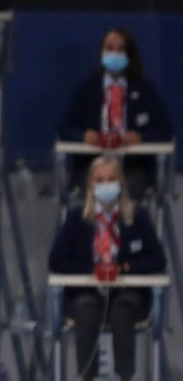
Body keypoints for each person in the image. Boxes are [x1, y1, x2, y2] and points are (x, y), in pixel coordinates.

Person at [48, 155, 166, 381]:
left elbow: (158, 260)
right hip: (87, 293)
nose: (106, 185)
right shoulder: (76, 219)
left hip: (127, 294)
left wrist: (126, 268)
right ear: (91, 184)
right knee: (87, 309)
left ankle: (125, 377)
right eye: (100, 180)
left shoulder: (138, 217)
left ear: (121, 181)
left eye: (111, 179)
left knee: (123, 311)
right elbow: (56, 261)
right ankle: (87, 377)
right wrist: (91, 271)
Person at [59, 28, 173, 199]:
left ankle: (122, 225)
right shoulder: (87, 89)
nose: (114, 54)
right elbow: (65, 128)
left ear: (129, 55)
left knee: (124, 193)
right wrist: (83, 136)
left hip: (133, 167)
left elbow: (165, 130)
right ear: (101, 52)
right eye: (110, 49)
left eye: (120, 50)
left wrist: (140, 138)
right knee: (94, 190)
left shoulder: (144, 89)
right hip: (93, 165)